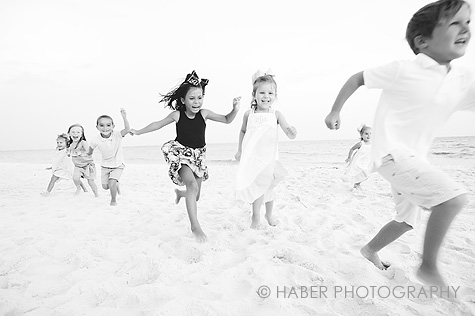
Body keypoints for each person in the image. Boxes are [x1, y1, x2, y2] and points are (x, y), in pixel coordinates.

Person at [324, 0, 474, 288]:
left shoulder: (462, 79)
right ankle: (428, 267)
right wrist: (335, 110)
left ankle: (370, 250)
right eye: (455, 22)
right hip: (390, 154)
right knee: (452, 199)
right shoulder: (404, 69)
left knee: (407, 220)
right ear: (423, 40)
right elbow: (358, 78)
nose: (465, 28)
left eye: (468, 21)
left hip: (414, 161)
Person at [130, 70, 241, 242]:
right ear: (183, 100)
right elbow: (157, 124)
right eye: (192, 98)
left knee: (195, 195)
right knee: (192, 186)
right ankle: (195, 227)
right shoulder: (177, 115)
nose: (197, 102)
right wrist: (138, 132)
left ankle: (181, 195)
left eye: (200, 97)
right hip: (181, 154)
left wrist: (234, 109)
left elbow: (227, 120)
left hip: (198, 157)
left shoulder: (204, 114)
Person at [235, 71, 297, 229]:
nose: (266, 96)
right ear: (254, 94)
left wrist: (291, 132)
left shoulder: (276, 114)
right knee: (258, 186)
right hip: (254, 157)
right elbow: (243, 131)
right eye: (262, 92)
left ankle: (269, 214)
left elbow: (287, 130)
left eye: (270, 93)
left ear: (275, 96)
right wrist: (240, 150)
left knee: (269, 187)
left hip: (269, 157)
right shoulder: (249, 114)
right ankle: (256, 217)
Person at [88, 109, 130, 206]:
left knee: (111, 183)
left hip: (118, 164)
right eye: (101, 125)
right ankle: (116, 184)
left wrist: (124, 117)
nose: (105, 128)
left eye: (108, 125)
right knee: (105, 187)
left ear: (113, 126)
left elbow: (127, 130)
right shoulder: (95, 139)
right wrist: (87, 156)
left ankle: (113, 201)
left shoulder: (117, 135)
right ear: (97, 127)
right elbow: (90, 150)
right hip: (105, 166)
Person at [68, 124, 99, 197]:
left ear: (82, 134)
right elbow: (69, 152)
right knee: (75, 178)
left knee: (90, 181)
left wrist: (80, 153)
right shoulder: (70, 144)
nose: (75, 134)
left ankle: (96, 195)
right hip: (78, 166)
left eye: (78, 132)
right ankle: (79, 188)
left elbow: (89, 152)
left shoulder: (83, 143)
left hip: (88, 165)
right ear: (69, 133)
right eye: (73, 132)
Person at [342, 124, 372, 189]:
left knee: (366, 174)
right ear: (362, 135)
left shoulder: (372, 144)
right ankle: (357, 184)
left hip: (366, 161)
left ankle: (357, 184)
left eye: (370, 134)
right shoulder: (361, 143)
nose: (369, 135)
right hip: (359, 161)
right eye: (366, 134)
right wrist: (349, 157)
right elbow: (352, 149)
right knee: (360, 172)